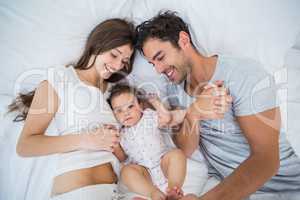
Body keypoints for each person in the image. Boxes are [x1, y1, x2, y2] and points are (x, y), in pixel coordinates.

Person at [135, 11, 300, 200]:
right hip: (227, 188)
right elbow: (185, 149)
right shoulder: (174, 89)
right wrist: (193, 113)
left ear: (183, 40)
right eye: (152, 64)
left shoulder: (243, 74)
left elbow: (267, 160)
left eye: (160, 57)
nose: (158, 69)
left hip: (285, 187)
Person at [8, 18, 136, 200]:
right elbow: (25, 145)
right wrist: (84, 140)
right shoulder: (62, 78)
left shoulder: (113, 95)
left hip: (117, 192)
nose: (117, 66)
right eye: (114, 55)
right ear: (98, 44)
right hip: (80, 193)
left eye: (124, 61)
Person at [107, 83, 188, 200]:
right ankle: (154, 193)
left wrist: (157, 103)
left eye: (130, 106)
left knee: (177, 154)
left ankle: (173, 189)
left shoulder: (148, 117)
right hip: (144, 173)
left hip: (163, 163)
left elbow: (166, 119)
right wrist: (114, 144)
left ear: (140, 106)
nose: (126, 113)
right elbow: (122, 158)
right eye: (119, 111)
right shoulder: (121, 133)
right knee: (126, 171)